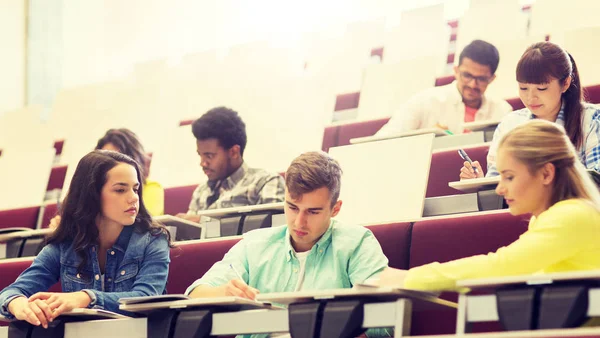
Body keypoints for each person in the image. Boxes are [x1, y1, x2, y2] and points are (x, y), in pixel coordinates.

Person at [185, 151, 389, 338]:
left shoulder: (357, 243)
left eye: (313, 211)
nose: (299, 222)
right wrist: (223, 293)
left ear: (335, 209)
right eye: (292, 207)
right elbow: (194, 294)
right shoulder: (254, 245)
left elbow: (384, 321)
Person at [379, 120, 600, 291]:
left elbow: (501, 266)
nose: (499, 189)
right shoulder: (553, 216)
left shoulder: (572, 215)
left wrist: (409, 277)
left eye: (509, 177)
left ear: (546, 173)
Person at [0, 150, 173, 327]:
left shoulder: (153, 239)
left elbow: (146, 298)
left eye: (135, 189)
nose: (133, 198)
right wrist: (18, 304)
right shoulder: (65, 244)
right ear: (92, 194)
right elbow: (12, 292)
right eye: (120, 190)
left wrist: (85, 298)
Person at [460, 41, 600, 179]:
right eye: (523, 88)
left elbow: (597, 180)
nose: (531, 98)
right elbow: (497, 181)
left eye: (541, 89)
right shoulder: (510, 124)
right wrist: (482, 182)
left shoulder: (591, 119)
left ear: (565, 83)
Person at [376, 40, 512, 136]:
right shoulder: (425, 101)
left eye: (481, 79)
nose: (472, 85)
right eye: (467, 76)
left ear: (492, 79)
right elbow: (385, 138)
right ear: (456, 71)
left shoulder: (502, 111)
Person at [176, 107, 285, 223]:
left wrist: (203, 222)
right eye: (200, 155)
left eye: (209, 156)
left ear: (234, 152)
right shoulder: (201, 191)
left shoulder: (266, 182)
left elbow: (273, 229)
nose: (202, 163)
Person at [49, 128, 164, 229]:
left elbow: (140, 222)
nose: (113, 162)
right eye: (106, 158)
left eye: (119, 156)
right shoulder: (93, 190)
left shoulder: (152, 188)